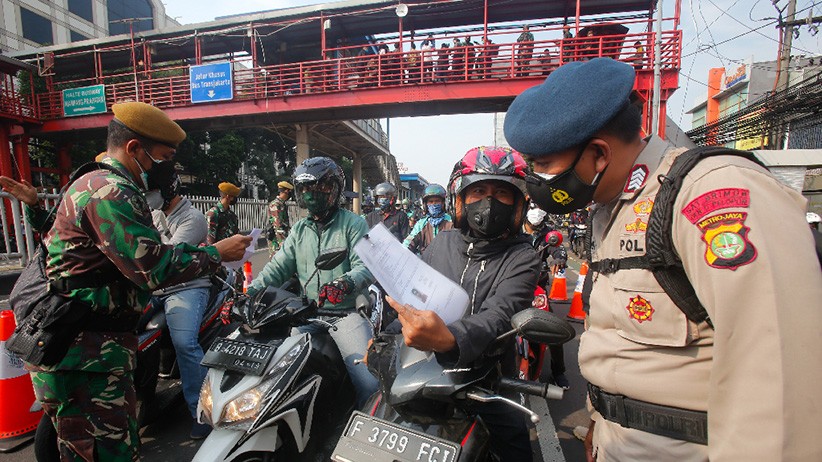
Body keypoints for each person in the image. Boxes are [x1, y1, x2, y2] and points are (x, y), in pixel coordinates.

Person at [504, 57, 822, 461]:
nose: (535, 180)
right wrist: (601, 425)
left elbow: (781, 388)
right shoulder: (611, 207)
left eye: (543, 165)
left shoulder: (710, 196)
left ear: (599, 155)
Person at [10, 102, 250, 461]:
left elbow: (78, 247)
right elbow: (152, 266)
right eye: (161, 158)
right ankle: (200, 410)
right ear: (135, 149)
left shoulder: (92, 183)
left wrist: (34, 209)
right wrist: (216, 253)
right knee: (108, 452)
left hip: (89, 346)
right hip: (86, 353)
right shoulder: (109, 191)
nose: (163, 170)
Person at [383, 146, 539, 462]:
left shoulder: (523, 257)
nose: (489, 202)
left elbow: (500, 313)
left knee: (516, 446)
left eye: (502, 193)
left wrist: (452, 337)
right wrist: (386, 335)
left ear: (518, 205)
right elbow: (412, 300)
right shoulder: (441, 243)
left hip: (486, 379)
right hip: (421, 370)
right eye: (478, 190)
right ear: (460, 200)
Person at [246, 157, 377, 407]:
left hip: (344, 315)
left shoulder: (353, 223)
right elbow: (277, 268)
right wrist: (249, 294)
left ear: (335, 189)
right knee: (277, 373)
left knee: (369, 384)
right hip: (307, 315)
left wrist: (344, 283)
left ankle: (360, 428)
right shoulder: (298, 230)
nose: (311, 194)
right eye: (305, 188)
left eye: (320, 187)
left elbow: (365, 266)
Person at [146, 166, 216, 440]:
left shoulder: (194, 218)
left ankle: (200, 413)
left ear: (167, 190)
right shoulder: (154, 213)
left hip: (184, 287)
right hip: (153, 286)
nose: (147, 197)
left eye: (150, 191)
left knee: (185, 344)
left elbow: (166, 261)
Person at [521, 202, 569, 389]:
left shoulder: (548, 233)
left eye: (539, 207)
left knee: (554, 329)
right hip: (511, 285)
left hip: (537, 288)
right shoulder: (513, 228)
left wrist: (559, 258)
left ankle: (559, 372)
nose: (535, 212)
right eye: (532, 208)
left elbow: (558, 248)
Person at [402, 183, 453, 255]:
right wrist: (403, 250)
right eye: (431, 202)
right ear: (426, 204)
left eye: (437, 201)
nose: (434, 204)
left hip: (445, 261)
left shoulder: (451, 222)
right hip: (425, 262)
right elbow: (410, 240)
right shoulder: (421, 223)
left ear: (443, 203)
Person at [267, 180, 294, 256]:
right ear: (286, 191)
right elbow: (278, 226)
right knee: (277, 264)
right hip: (277, 241)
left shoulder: (282, 204)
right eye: (290, 192)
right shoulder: (276, 204)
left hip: (281, 238)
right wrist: (282, 243)